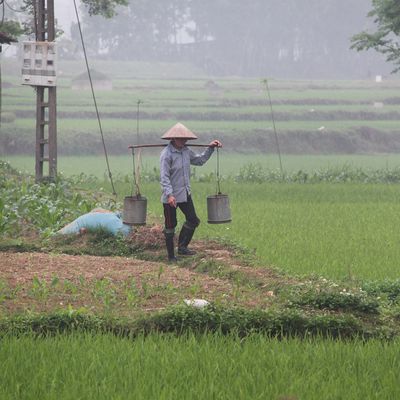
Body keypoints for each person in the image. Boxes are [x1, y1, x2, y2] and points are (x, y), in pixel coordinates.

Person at [160, 122, 222, 262]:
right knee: (170, 226)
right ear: (174, 139)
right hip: (171, 197)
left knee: (193, 220)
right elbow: (164, 177)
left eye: (185, 139)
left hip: (184, 193)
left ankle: (182, 247)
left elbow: (199, 160)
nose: (184, 141)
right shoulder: (166, 155)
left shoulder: (186, 152)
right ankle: (171, 256)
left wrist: (210, 148)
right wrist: (169, 195)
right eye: (181, 139)